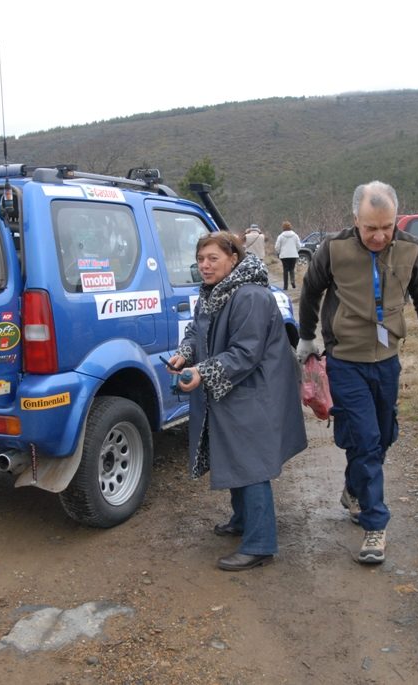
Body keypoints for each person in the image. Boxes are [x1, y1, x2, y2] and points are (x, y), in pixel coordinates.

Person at [296, 181, 418, 564]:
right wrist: (305, 337)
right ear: (355, 220)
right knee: (365, 441)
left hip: (387, 360)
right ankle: (374, 524)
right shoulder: (333, 250)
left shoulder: (411, 250)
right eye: (371, 228)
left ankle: (353, 488)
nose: (380, 235)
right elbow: (311, 291)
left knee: (383, 437)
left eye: (387, 226)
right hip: (345, 360)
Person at [170, 232, 307, 571]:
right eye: (201, 259)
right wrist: (183, 355)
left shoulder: (250, 296)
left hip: (255, 388)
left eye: (212, 258)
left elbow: (246, 353)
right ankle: (243, 519)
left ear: (233, 259)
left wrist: (203, 372)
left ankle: (260, 544)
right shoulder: (212, 292)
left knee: (251, 462)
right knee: (231, 452)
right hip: (231, 386)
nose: (204, 265)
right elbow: (196, 333)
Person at [274, 220, 302, 289]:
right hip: (293, 255)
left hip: (284, 255)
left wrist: (279, 252)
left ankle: (285, 286)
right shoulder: (295, 235)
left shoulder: (280, 236)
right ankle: (292, 281)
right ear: (290, 227)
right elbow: (299, 246)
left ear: (283, 227)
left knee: (285, 270)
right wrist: (296, 251)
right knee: (292, 269)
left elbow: (277, 247)